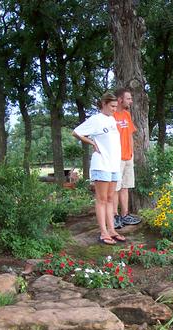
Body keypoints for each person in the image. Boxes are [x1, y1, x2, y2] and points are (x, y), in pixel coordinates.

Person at [72, 92, 126, 245]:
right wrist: (91, 143)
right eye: (112, 106)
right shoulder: (96, 119)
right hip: (101, 164)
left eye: (116, 106)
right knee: (101, 199)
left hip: (113, 165)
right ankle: (103, 232)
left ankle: (112, 230)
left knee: (110, 199)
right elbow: (76, 132)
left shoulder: (112, 119)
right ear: (104, 104)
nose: (115, 109)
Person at [112, 88, 142, 229]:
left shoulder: (126, 115)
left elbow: (130, 134)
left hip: (127, 157)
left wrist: (131, 153)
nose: (131, 101)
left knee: (125, 187)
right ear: (120, 100)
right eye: (128, 98)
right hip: (115, 158)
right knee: (115, 188)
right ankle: (114, 217)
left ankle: (125, 215)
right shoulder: (110, 117)